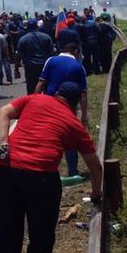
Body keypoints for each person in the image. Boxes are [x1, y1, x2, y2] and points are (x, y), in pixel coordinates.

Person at [0, 81, 103, 253]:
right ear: (75, 104)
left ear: (57, 94)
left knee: (7, 228)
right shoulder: (74, 124)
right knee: (41, 233)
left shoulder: (35, 99)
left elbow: (3, 112)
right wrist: (96, 193)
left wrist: (4, 141)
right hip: (41, 177)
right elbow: (95, 167)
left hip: (6, 170)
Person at [35, 42, 89, 176]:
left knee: (47, 135)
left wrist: (34, 101)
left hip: (49, 103)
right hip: (68, 106)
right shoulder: (79, 67)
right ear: (76, 52)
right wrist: (84, 115)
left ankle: (44, 169)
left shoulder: (51, 61)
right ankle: (72, 171)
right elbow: (83, 94)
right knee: (70, 137)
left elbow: (41, 82)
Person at [16, 19, 55, 95]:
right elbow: (52, 53)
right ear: (37, 26)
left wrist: (16, 69)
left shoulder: (23, 39)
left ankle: (32, 104)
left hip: (30, 67)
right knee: (46, 87)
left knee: (31, 89)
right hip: (44, 66)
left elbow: (18, 55)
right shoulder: (46, 37)